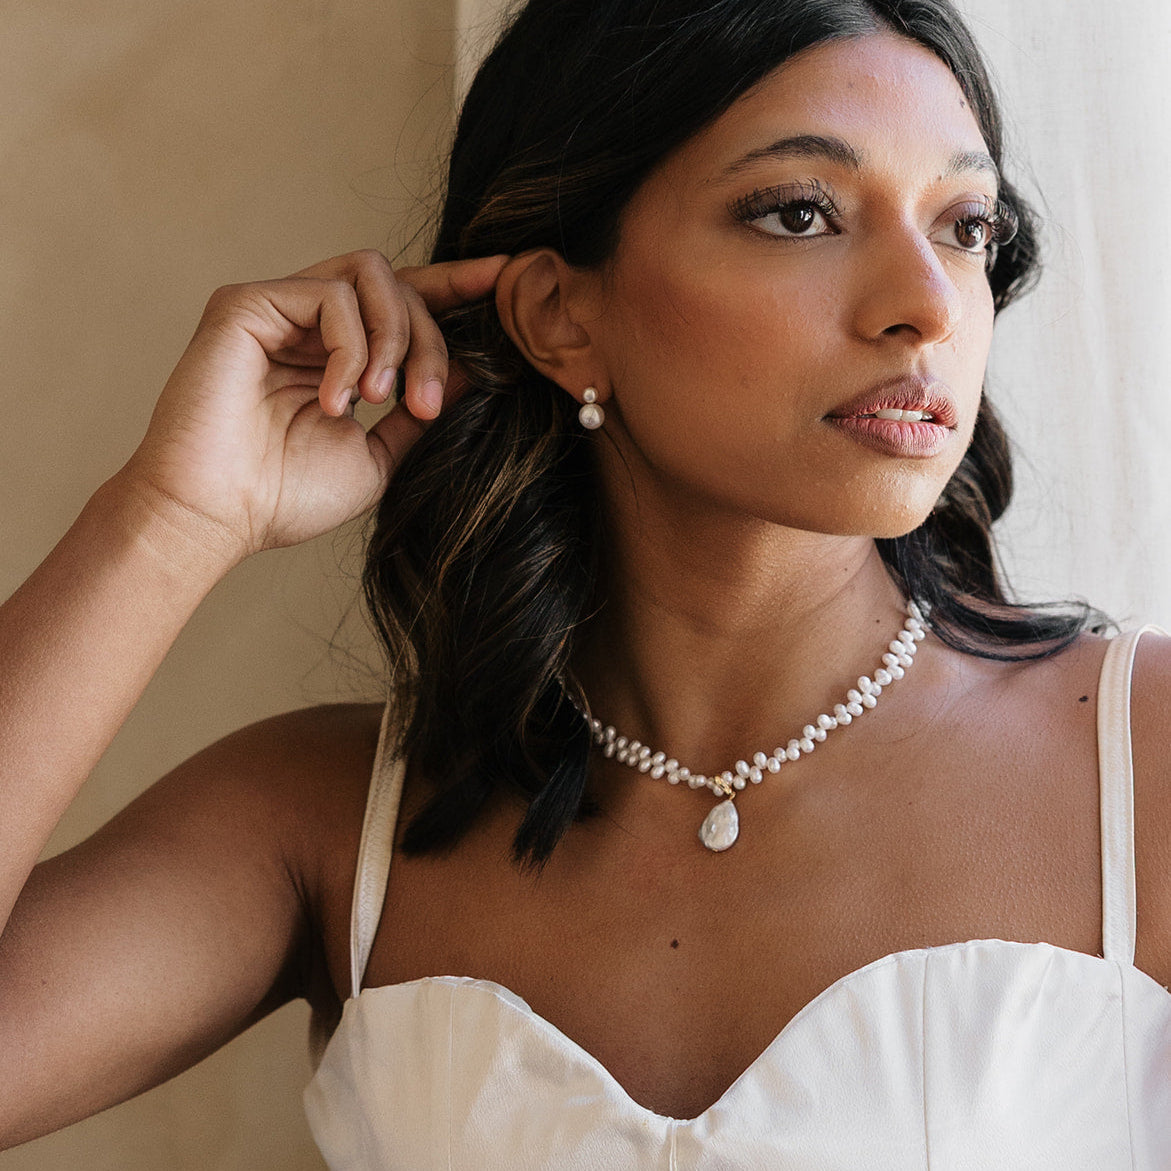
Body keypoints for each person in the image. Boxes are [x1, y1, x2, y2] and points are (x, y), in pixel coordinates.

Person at [4, 0, 1171, 1165]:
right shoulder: (328, 821)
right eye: (799, 213)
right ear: (561, 316)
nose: (927, 304)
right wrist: (171, 519)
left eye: (964, 227)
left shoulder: (1143, 759)